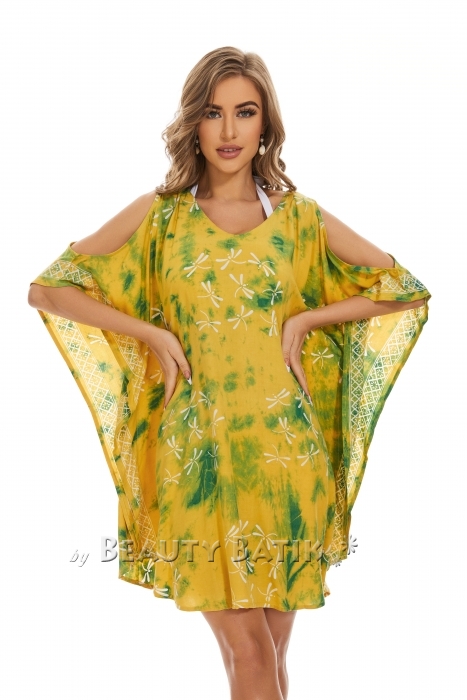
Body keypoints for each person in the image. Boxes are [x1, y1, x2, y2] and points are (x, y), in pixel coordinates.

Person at [28, 46, 431, 700]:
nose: (228, 130)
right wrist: (152, 333)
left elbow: (403, 290)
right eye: (213, 112)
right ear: (193, 121)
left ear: (265, 123)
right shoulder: (160, 216)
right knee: (250, 654)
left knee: (269, 657)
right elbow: (50, 289)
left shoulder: (300, 219)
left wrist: (308, 320)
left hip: (287, 459)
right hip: (199, 460)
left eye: (245, 112)